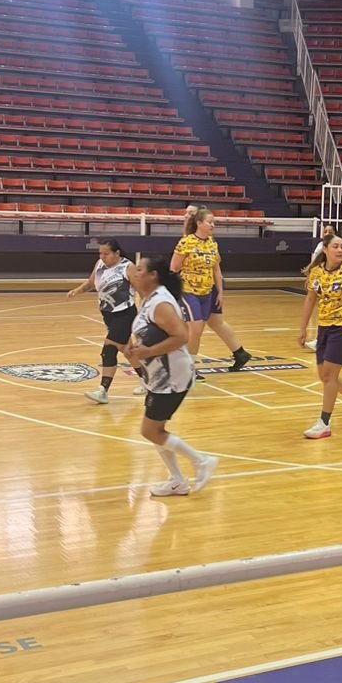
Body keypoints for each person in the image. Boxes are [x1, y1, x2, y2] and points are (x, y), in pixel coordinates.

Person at [124, 254, 217, 498]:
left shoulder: (161, 302)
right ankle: (178, 480)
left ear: (153, 275)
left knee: (150, 430)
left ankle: (202, 461)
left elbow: (181, 337)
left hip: (172, 376)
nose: (136, 272)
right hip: (160, 375)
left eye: (141, 269)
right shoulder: (150, 299)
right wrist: (136, 349)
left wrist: (149, 351)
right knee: (156, 429)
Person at [297, 235, 342, 438]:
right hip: (324, 327)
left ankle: (324, 423)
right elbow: (310, 300)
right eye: (335, 246)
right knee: (324, 376)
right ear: (326, 250)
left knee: (329, 375)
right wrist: (302, 328)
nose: (340, 249)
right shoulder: (316, 273)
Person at [171, 207, 253, 376]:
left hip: (207, 291)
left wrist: (221, 292)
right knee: (196, 328)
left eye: (214, 222)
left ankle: (240, 353)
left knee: (213, 323)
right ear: (199, 223)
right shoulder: (186, 242)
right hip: (188, 290)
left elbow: (216, 270)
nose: (213, 225)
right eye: (210, 222)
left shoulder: (212, 243)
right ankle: (189, 368)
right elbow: (174, 267)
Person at [67, 238, 136, 404]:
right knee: (128, 351)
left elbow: (142, 288)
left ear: (116, 253)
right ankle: (149, 384)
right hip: (108, 314)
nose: (102, 256)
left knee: (109, 350)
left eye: (106, 254)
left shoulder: (128, 267)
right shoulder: (99, 265)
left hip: (125, 314)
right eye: (100, 253)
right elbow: (91, 283)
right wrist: (76, 291)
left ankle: (103, 390)